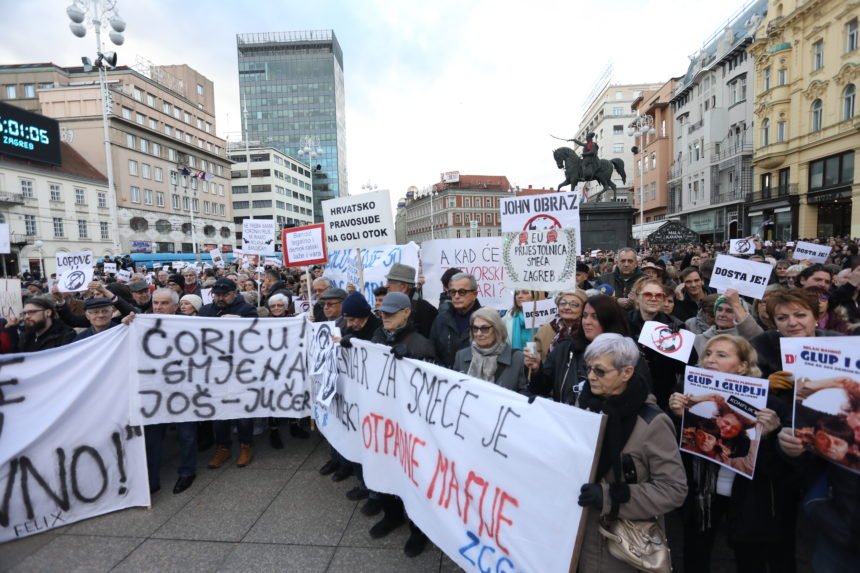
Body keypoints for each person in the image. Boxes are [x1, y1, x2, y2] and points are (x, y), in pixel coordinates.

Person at [668, 335, 790, 573]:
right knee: (695, 555)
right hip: (702, 494)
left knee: (749, 561)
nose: (711, 359)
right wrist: (677, 417)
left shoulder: (770, 406)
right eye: (708, 354)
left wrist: (772, 435)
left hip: (749, 500)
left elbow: (783, 468)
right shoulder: (687, 393)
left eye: (721, 355)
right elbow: (671, 452)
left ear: (743, 366)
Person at [575, 333, 687, 573]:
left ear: (626, 373)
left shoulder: (653, 423)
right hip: (578, 537)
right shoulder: (584, 407)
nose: (591, 377)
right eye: (589, 369)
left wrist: (610, 497)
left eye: (600, 371)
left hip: (623, 546)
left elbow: (673, 489)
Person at [369, 291, 435, 557]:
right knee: (385, 468)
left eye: (390, 313)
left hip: (410, 427)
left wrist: (414, 359)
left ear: (406, 313)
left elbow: (433, 386)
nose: (384, 317)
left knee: (412, 476)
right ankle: (391, 514)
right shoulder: (376, 338)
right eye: (382, 313)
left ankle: (419, 529)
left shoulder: (421, 344)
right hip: (383, 421)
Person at [129, 287, 199, 495]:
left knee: (186, 434)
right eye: (156, 303)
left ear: (176, 306)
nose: (158, 307)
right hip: (153, 390)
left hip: (183, 388)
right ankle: (151, 478)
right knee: (152, 434)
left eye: (164, 303)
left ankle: (187, 471)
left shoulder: (191, 324)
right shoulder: (141, 323)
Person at [201, 278, 259, 470]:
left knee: (242, 412)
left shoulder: (246, 310)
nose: (220, 298)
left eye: (224, 294)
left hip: (240, 370)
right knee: (219, 412)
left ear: (235, 293)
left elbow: (255, 335)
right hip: (215, 370)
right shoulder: (206, 311)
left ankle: (245, 445)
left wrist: (239, 322)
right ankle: (223, 447)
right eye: (217, 295)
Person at [337, 292, 382, 506]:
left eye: (356, 319)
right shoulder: (349, 327)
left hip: (372, 401)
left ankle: (376, 493)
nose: (352, 323)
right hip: (354, 398)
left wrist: (353, 342)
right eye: (348, 319)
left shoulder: (377, 329)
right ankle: (363, 483)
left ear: (366, 316)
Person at [626, 277, 688, 409]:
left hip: (662, 395)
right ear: (637, 297)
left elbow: (684, 367)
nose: (653, 299)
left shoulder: (676, 325)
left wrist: (674, 344)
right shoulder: (624, 322)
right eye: (648, 294)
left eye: (658, 295)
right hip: (628, 390)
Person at [453, 307, 527, 393]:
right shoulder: (461, 356)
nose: (479, 333)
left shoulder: (517, 358)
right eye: (475, 328)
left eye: (485, 329)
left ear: (497, 329)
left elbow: (524, 395)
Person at [429, 272, 482, 368]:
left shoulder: (486, 321)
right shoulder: (441, 320)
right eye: (453, 292)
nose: (456, 296)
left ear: (474, 294)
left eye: (462, 292)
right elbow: (432, 352)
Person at [692, 288, 763, 356]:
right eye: (719, 309)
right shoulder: (698, 339)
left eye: (729, 311)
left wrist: (736, 304)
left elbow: (758, 337)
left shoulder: (746, 340)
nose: (722, 314)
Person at [384, 263, 438, 338]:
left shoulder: (425, 310)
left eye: (390, 282)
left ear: (404, 287)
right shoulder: (386, 306)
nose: (386, 286)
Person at [533, 289, 587, 361]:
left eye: (573, 304)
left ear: (583, 308)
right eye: (563, 303)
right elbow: (535, 359)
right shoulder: (545, 329)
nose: (567, 307)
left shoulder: (587, 330)